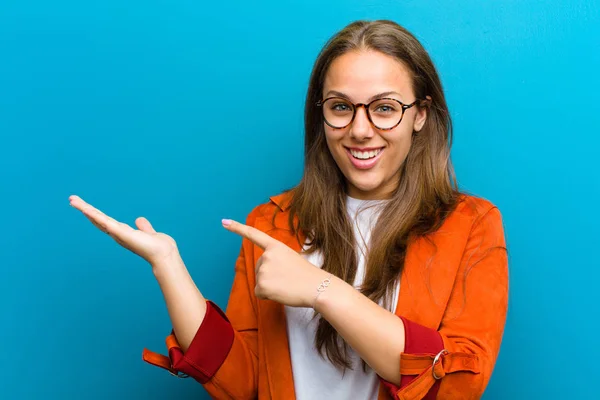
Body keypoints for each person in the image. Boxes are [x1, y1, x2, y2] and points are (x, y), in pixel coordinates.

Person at [70, 19, 508, 400]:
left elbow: (457, 385)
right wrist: (167, 266)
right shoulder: (272, 224)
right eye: (340, 107)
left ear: (420, 115)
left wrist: (320, 288)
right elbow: (242, 385)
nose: (359, 130)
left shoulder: (472, 226)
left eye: (384, 109)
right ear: (320, 115)